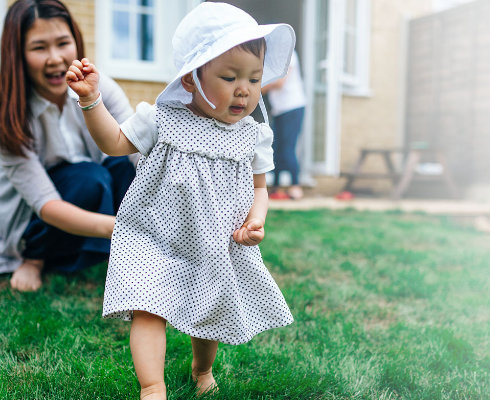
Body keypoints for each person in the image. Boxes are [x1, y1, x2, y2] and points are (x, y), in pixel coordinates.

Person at [66, 2, 295, 399]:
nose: (244, 89)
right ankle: (152, 387)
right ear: (191, 79)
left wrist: (256, 220)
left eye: (255, 79)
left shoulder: (253, 135)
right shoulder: (161, 118)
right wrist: (91, 100)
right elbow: (114, 142)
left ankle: (201, 369)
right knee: (147, 307)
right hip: (153, 237)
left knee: (209, 311)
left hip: (215, 243)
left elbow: (261, 188)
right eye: (229, 76)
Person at [0, 0, 136, 292]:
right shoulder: (9, 113)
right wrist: (121, 228)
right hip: (34, 218)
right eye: (39, 48)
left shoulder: (103, 89)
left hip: (91, 204)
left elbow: (141, 153)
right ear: (18, 55)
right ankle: (34, 258)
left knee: (123, 164)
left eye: (63, 43)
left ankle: (132, 254)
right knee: (89, 177)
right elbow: (45, 203)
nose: (55, 58)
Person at [262, 50, 306, 200]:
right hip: (279, 109)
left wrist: (256, 89)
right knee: (275, 148)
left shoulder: (289, 54)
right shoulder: (271, 59)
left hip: (292, 107)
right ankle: (276, 187)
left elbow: (280, 82)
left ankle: (295, 186)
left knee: (288, 147)